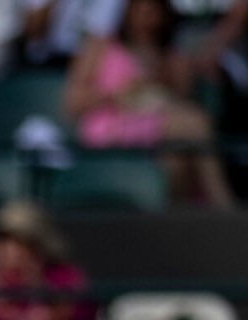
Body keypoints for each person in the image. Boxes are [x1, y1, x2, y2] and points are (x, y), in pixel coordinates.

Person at [66, 0, 233, 207]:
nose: (147, 17)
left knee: (176, 160)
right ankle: (223, 204)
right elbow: (73, 102)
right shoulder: (100, 46)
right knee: (195, 123)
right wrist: (115, 94)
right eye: (141, 9)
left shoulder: (168, 53)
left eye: (154, 10)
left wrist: (165, 72)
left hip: (154, 128)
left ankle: (171, 227)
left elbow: (180, 95)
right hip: (109, 127)